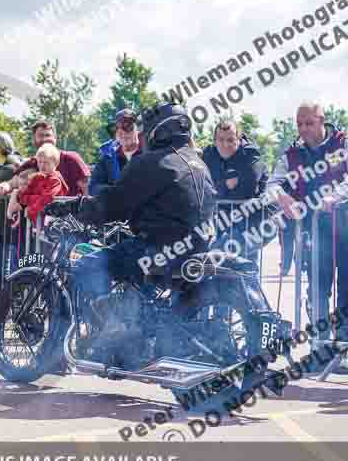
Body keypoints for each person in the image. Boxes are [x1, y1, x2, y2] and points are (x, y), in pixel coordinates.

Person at [44, 102, 216, 359]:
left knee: (88, 266)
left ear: (157, 131)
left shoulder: (154, 162)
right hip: (196, 247)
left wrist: (77, 205)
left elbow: (113, 204)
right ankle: (132, 333)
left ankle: (114, 331)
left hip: (158, 248)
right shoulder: (198, 163)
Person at [268, 101, 348, 343]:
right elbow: (271, 184)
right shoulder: (291, 154)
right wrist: (282, 197)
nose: (303, 129)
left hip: (345, 229)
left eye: (309, 123)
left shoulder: (343, 144)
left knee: (347, 290)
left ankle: (343, 347)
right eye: (299, 124)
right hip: (313, 233)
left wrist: (336, 195)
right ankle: (319, 345)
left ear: (323, 121)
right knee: (316, 290)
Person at [202, 119, 268, 264]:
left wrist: (218, 187)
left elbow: (248, 189)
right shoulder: (208, 154)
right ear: (214, 141)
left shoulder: (251, 153)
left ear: (238, 140)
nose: (225, 145)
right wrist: (225, 185)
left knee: (246, 267)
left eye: (231, 140)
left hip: (248, 222)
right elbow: (204, 187)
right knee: (220, 267)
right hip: (221, 220)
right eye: (221, 140)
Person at [0, 120, 91, 199]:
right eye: (40, 135)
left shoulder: (71, 158)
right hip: (39, 219)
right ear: (34, 140)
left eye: (48, 135)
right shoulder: (32, 163)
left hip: (69, 218)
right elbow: (13, 182)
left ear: (55, 138)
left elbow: (86, 187)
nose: (44, 139)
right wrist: (3, 187)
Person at [0, 131, 24, 294]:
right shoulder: (8, 164)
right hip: (1, 226)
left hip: (1, 227)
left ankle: (2, 307)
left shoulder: (10, 166)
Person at [8, 143, 68, 227]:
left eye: (46, 162)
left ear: (55, 163)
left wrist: (30, 210)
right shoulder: (36, 177)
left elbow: (46, 198)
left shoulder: (55, 180)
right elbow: (24, 195)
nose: (42, 165)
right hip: (37, 223)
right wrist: (33, 198)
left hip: (52, 224)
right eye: (40, 162)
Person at [89, 108, 142, 195]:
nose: (123, 133)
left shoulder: (149, 152)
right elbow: (93, 188)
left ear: (138, 129)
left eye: (128, 127)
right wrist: (115, 191)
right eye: (117, 129)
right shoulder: (108, 157)